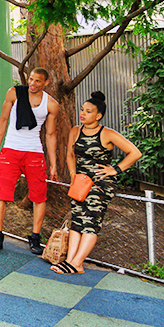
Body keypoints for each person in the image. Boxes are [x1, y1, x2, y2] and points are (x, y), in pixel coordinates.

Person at [52, 91, 141, 275]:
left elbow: (135, 153)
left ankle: (77, 263)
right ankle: (69, 261)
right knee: (77, 221)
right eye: (82, 110)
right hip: (80, 182)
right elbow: (70, 154)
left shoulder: (107, 133)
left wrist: (115, 169)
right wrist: (73, 174)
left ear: (98, 115)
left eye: (88, 111)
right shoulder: (76, 130)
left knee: (90, 223)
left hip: (100, 184)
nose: (83, 114)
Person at [0, 68, 61, 254]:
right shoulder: (14, 93)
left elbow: (51, 135)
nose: (33, 84)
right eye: (31, 79)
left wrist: (53, 164)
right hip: (11, 149)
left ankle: (35, 238)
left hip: (34, 152)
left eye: (38, 81)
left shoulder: (51, 104)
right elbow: (3, 119)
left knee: (39, 196)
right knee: (2, 194)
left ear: (46, 83)